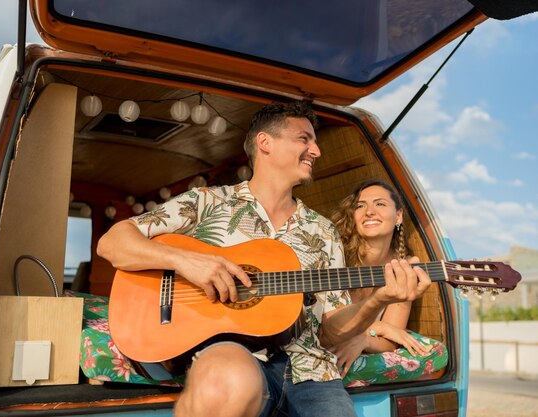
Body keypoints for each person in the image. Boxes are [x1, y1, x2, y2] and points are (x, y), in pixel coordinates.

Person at [97, 101, 431, 417]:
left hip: (310, 369)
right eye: (304, 139)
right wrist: (187, 262)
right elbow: (113, 243)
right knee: (225, 383)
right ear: (265, 142)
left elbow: (330, 332)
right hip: (232, 353)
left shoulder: (323, 230)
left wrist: (379, 299)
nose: (316, 150)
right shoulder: (207, 202)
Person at [329, 180, 448, 387]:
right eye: (360, 205)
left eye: (380, 204)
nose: (369, 212)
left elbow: (390, 341)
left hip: (359, 352)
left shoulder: (402, 268)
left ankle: (346, 375)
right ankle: (340, 375)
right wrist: (379, 326)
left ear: (398, 216)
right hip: (326, 344)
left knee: (436, 353)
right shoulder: (335, 254)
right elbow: (325, 325)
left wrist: (364, 339)